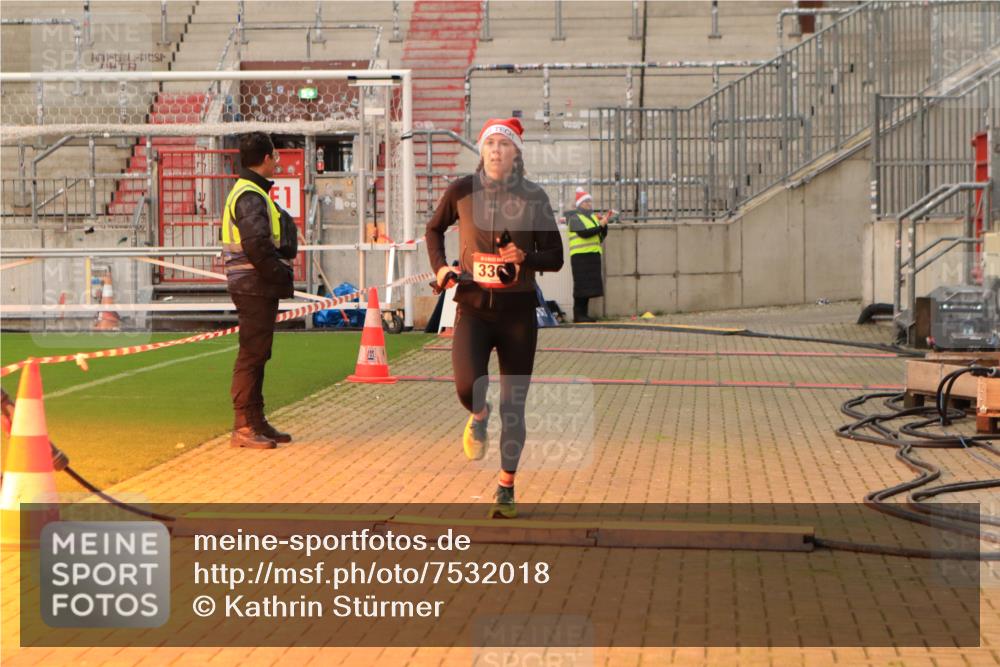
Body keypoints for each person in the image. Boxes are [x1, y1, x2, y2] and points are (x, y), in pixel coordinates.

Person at [425, 117, 564, 518]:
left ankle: (506, 486)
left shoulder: (534, 198)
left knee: (514, 406)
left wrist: (526, 258)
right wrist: (439, 268)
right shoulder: (462, 191)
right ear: (481, 151)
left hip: (517, 313)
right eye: (489, 145)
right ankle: (478, 416)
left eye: (504, 145)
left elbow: (554, 257)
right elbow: (433, 230)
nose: (496, 151)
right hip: (471, 306)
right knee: (468, 387)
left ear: (516, 154)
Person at [222, 133, 297, 449]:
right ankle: (244, 425)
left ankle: (256, 420)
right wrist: (279, 273)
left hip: (254, 284)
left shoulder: (250, 191)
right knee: (252, 355)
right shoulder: (250, 195)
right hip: (253, 285)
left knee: (258, 353)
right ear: (266, 158)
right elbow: (256, 245)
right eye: (275, 157)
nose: (277, 162)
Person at [565, 187, 612, 323]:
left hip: (592, 255)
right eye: (586, 202)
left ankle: (583, 314)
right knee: (581, 286)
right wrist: (600, 226)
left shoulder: (592, 217)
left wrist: (604, 226)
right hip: (580, 257)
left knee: (588, 288)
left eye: (590, 202)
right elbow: (584, 233)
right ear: (579, 204)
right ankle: (578, 315)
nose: (589, 204)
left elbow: (600, 235)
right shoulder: (573, 217)